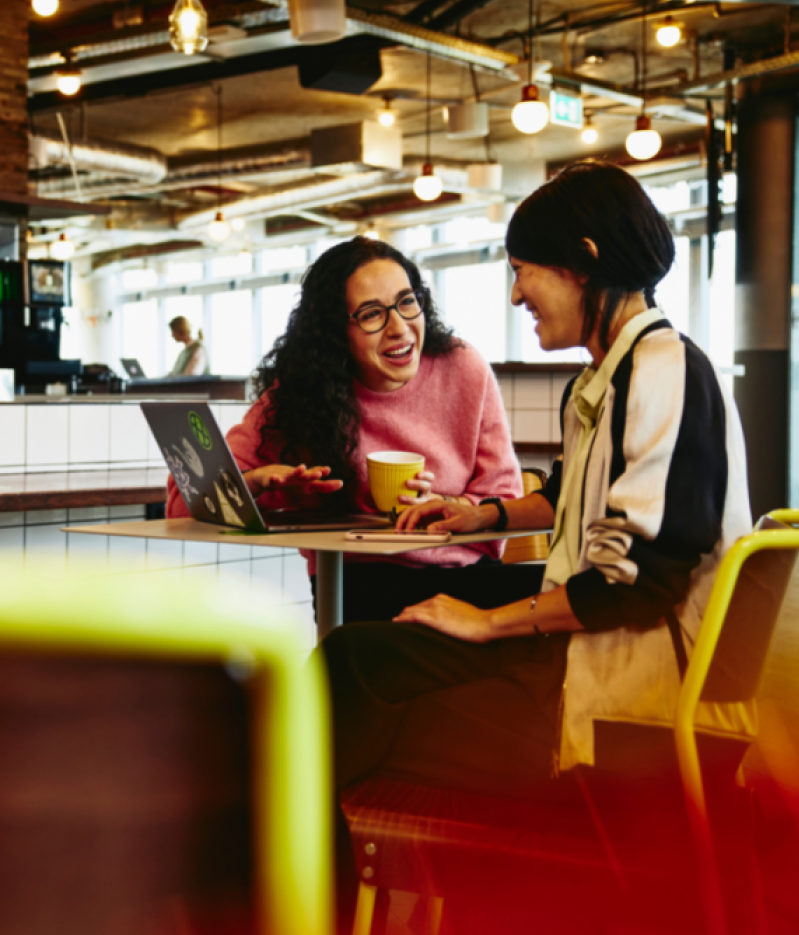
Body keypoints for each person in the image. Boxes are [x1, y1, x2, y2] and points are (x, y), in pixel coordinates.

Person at [323, 161, 753, 812]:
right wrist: (482, 515)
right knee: (354, 658)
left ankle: (300, 884)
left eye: (522, 270)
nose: (517, 295)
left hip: (627, 712)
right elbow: (570, 494)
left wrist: (487, 624)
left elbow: (630, 578)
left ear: (580, 262)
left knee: (348, 699)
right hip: (598, 661)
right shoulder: (617, 372)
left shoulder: (660, 373)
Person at [166, 237, 535, 623]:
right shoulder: (301, 392)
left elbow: (504, 497)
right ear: (334, 331)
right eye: (372, 314)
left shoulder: (463, 368)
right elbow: (181, 504)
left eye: (407, 302)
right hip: (358, 586)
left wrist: (450, 507)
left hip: (467, 579)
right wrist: (256, 482)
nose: (399, 327)